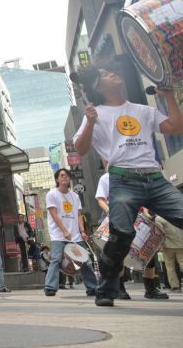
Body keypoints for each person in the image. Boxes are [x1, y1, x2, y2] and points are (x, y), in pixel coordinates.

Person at [74, 62, 183, 307]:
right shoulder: (96, 113)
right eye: (105, 74)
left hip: (155, 178)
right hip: (123, 179)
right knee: (121, 235)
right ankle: (106, 289)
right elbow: (81, 148)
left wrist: (170, 97)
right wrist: (90, 122)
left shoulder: (142, 110)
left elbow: (177, 127)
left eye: (112, 70)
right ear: (98, 87)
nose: (112, 73)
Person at [43, 168, 98, 297]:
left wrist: (82, 231)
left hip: (76, 235)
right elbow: (54, 214)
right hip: (58, 235)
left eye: (67, 175)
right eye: (62, 175)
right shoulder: (52, 194)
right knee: (56, 259)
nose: (65, 177)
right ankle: (50, 287)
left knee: (86, 260)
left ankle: (92, 287)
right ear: (57, 179)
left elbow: (79, 215)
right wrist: (64, 230)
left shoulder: (74, 195)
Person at [94, 172, 131, 300]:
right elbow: (101, 199)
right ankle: (116, 288)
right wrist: (111, 212)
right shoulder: (105, 178)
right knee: (114, 253)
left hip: (129, 216)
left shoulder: (132, 175)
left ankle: (150, 288)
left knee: (124, 252)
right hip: (111, 218)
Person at [157, 215, 183, 292]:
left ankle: (175, 287)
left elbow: (159, 231)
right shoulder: (179, 215)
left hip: (167, 246)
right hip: (181, 244)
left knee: (170, 267)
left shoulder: (160, 218)